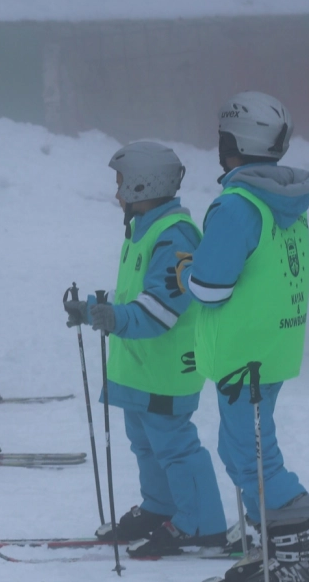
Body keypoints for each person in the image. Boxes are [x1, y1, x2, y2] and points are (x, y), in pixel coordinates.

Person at [186, 92, 309, 582]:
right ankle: (281, 548)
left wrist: (186, 269)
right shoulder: (285, 199)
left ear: (231, 143)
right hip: (269, 348)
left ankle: (298, 558)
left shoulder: (237, 205)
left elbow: (209, 287)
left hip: (243, 353)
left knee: (252, 455)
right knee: (244, 449)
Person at [64, 142, 228, 556]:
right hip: (140, 366)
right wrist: (92, 312)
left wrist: (115, 318)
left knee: (174, 444)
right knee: (144, 441)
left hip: (166, 367)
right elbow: (135, 297)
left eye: (120, 183)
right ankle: (162, 507)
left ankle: (202, 524)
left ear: (143, 184)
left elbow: (161, 307)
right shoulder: (142, 228)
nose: (116, 192)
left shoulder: (175, 236)